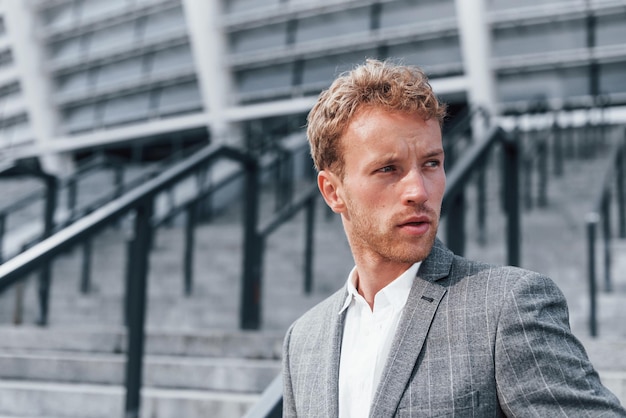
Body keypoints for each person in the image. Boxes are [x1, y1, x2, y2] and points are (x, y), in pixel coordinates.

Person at [281, 59, 626, 417]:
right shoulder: (304, 340)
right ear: (333, 192)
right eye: (388, 169)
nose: (418, 190)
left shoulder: (507, 307)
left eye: (431, 163)